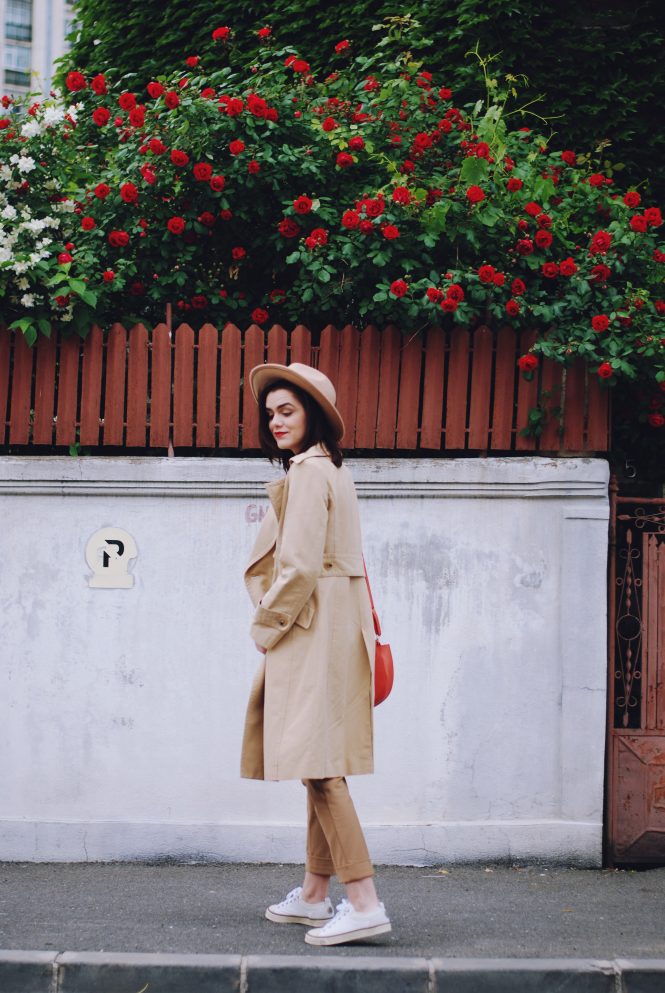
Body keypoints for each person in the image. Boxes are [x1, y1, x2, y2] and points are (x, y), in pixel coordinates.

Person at [240, 361, 391, 947]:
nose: (276, 421)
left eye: (288, 410)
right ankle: (312, 894)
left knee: (323, 769)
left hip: (311, 630)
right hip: (333, 628)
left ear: (314, 415)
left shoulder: (308, 473)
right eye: (271, 412)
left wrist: (266, 623)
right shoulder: (331, 471)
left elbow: (299, 565)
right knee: (317, 762)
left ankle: (363, 900)